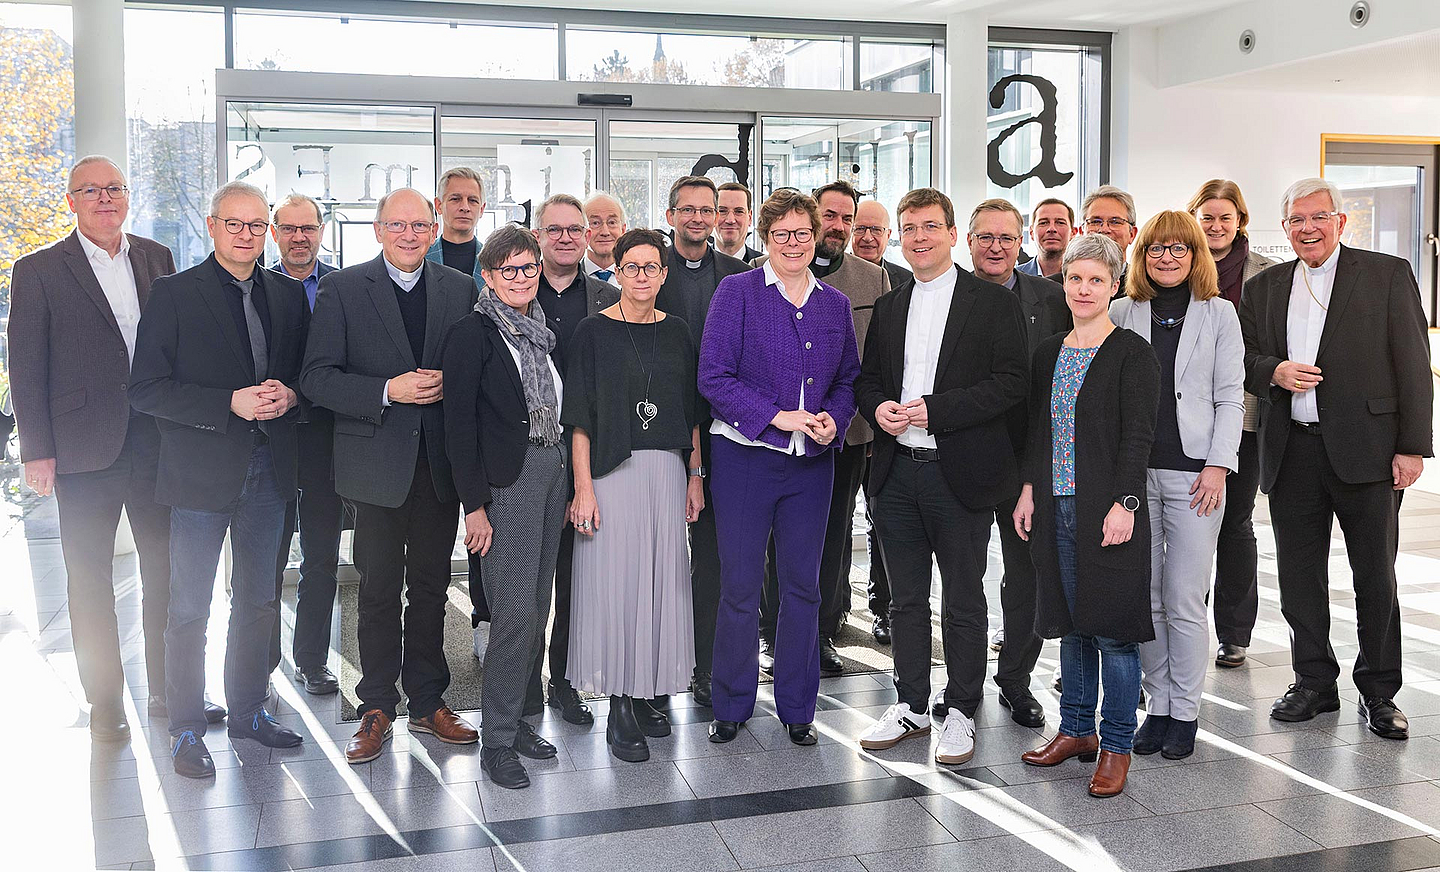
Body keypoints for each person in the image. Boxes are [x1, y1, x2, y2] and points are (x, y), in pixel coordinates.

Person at [6, 155, 224, 741]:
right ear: (71, 201)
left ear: (127, 197)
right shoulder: (39, 270)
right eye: (90, 190)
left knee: (166, 574)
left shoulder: (157, 258)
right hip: (81, 450)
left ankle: (168, 691)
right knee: (89, 579)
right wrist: (37, 451)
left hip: (157, 444)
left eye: (115, 188)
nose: (105, 198)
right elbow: (25, 368)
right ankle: (104, 703)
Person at [128, 180, 310, 777]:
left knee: (258, 601)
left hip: (268, 471)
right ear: (211, 226)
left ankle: (249, 711)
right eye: (235, 224)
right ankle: (184, 728)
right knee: (189, 607)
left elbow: (306, 374)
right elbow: (147, 389)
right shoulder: (174, 294)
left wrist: (292, 394)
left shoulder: (286, 295)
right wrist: (224, 404)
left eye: (258, 226)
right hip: (200, 473)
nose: (247, 235)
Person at [1240, 177, 1433, 740]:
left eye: (1318, 217)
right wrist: (1272, 371)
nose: (1307, 228)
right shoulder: (1267, 287)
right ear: (1285, 229)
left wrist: (1412, 446)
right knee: (1299, 578)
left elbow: (1414, 366)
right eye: (1296, 220)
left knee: (1375, 576)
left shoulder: (1386, 274)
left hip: (1368, 453)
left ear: (1341, 221)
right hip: (1292, 449)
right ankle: (1314, 682)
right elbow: (1246, 356)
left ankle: (1379, 691)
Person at [300, 188, 479, 764]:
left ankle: (429, 702)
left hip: (438, 468)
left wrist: (455, 385)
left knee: (430, 589)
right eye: (396, 225)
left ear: (433, 230)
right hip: (373, 468)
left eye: (419, 225)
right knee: (376, 592)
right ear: (377, 230)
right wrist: (386, 390)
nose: (409, 234)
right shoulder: (344, 289)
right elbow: (318, 379)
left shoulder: (460, 288)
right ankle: (376, 704)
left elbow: (475, 369)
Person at [852, 188, 1027, 766]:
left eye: (930, 226)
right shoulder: (891, 303)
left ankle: (961, 710)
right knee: (905, 600)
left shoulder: (993, 303)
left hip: (961, 475)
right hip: (897, 471)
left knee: (963, 599)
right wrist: (877, 409)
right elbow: (868, 379)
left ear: (954, 234)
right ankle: (910, 704)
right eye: (910, 228)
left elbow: (1010, 384)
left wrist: (937, 409)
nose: (919, 237)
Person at [700, 188, 860, 746]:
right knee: (740, 587)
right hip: (744, 459)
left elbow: (847, 381)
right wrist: (779, 418)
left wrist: (831, 421)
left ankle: (798, 708)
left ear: (816, 237)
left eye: (801, 233)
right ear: (764, 239)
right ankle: (732, 704)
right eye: (780, 234)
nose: (792, 244)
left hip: (811, 466)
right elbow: (714, 379)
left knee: (804, 588)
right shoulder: (736, 292)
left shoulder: (833, 305)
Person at [1014, 233, 1159, 798]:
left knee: (1114, 633)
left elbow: (1138, 438)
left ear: (1115, 284)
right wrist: (1029, 489)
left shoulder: (1131, 352)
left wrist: (1125, 504)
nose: (1083, 288)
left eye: (1096, 279)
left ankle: (1116, 744)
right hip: (1055, 505)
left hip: (1109, 512)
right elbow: (1037, 430)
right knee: (1071, 625)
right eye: (1075, 278)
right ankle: (1076, 730)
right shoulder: (1049, 350)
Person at [564, 228, 705, 762]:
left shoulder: (679, 333)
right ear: (616, 272)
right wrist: (582, 489)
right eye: (632, 267)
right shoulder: (592, 332)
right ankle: (619, 702)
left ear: (664, 275)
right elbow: (577, 416)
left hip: (667, 473)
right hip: (609, 473)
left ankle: (650, 691)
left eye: (652, 267)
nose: (642, 276)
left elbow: (693, 412)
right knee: (616, 585)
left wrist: (695, 475)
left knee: (661, 582)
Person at [1110, 210, 1244, 760]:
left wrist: (1218, 465)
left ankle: (1186, 711)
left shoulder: (1220, 314)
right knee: (1147, 598)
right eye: (1157, 249)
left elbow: (1231, 395)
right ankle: (1158, 704)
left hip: (1197, 476)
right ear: (1142, 256)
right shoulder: (1121, 311)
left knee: (1185, 598)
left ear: (1196, 255)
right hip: (1136, 475)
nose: (1167, 258)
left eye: (1179, 249)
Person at [442, 225, 569, 790]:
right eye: (508, 270)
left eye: (529, 267)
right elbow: (458, 428)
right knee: (512, 612)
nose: (521, 278)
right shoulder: (473, 334)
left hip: (552, 473)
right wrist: (474, 507)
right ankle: (495, 740)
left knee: (538, 605)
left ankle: (517, 720)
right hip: (506, 485)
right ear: (488, 277)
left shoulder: (542, 333)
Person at [756, 180, 890, 677]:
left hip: (846, 431)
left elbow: (874, 361)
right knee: (779, 542)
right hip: (777, 432)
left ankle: (822, 633)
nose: (837, 225)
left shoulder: (872, 279)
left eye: (845, 218)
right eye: (828, 215)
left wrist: (865, 423)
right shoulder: (761, 278)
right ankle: (774, 634)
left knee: (833, 538)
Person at [966, 198, 1070, 728]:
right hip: (959, 456)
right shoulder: (946, 296)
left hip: (1028, 458)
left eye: (1007, 238)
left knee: (1025, 576)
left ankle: (1014, 680)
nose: (996, 247)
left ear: (1021, 241)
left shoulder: (1053, 300)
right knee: (963, 577)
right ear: (968, 240)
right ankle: (961, 683)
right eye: (986, 237)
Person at [655, 175, 751, 706]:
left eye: (706, 210)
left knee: (713, 556)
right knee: (658, 554)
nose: (698, 218)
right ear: (670, 216)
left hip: (724, 433)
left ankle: (706, 664)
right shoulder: (649, 270)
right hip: (656, 434)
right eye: (687, 210)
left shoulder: (740, 276)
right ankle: (656, 664)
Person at [530, 193, 621, 726]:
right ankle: (521, 684)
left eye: (575, 229)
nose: (566, 237)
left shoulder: (609, 297)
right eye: (555, 229)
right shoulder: (513, 289)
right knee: (530, 578)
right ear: (538, 235)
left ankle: (565, 683)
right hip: (530, 456)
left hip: (591, 455)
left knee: (578, 578)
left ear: (588, 236)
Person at [1187, 180, 1276, 669]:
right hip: (1184, 418)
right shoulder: (1176, 265)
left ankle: (1235, 631)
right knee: (1184, 525)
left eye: (1225, 217)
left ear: (1240, 219)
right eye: (1207, 216)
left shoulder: (1269, 271)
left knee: (1235, 524)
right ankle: (1186, 619)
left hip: (1247, 416)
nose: (1216, 226)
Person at [267, 192, 341, 696]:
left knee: (321, 557)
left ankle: (311, 659)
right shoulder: (258, 286)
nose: (299, 237)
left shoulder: (343, 285)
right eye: (289, 229)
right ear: (275, 232)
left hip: (327, 440)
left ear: (321, 230)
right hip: (268, 439)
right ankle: (260, 659)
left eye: (307, 228)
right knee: (266, 558)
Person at [1049, 186, 1138, 296]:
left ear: (1132, 234)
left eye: (1115, 222)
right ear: (1082, 231)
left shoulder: (1144, 287)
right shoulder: (1052, 287)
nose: (1104, 229)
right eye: (1095, 221)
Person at [425, 167, 486, 289]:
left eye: (472, 200)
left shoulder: (495, 260)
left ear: (481, 209)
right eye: (455, 199)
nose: (465, 207)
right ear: (438, 205)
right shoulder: (420, 257)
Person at [852, 199, 912, 292]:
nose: (867, 238)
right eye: (860, 229)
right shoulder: (831, 277)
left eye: (876, 230)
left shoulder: (907, 281)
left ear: (888, 235)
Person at [1017, 198, 1077, 278]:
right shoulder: (1015, 278)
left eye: (1060, 223)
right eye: (1043, 223)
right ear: (1031, 233)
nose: (1051, 229)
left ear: (1073, 233)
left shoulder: (1083, 277)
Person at [582, 192, 627, 286]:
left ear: (623, 230)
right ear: (583, 231)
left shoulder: (638, 277)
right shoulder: (568, 278)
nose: (605, 232)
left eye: (612, 222)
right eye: (595, 223)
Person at [715, 182, 762, 263]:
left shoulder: (765, 266)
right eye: (722, 211)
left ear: (750, 218)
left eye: (739, 211)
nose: (730, 220)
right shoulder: (695, 264)